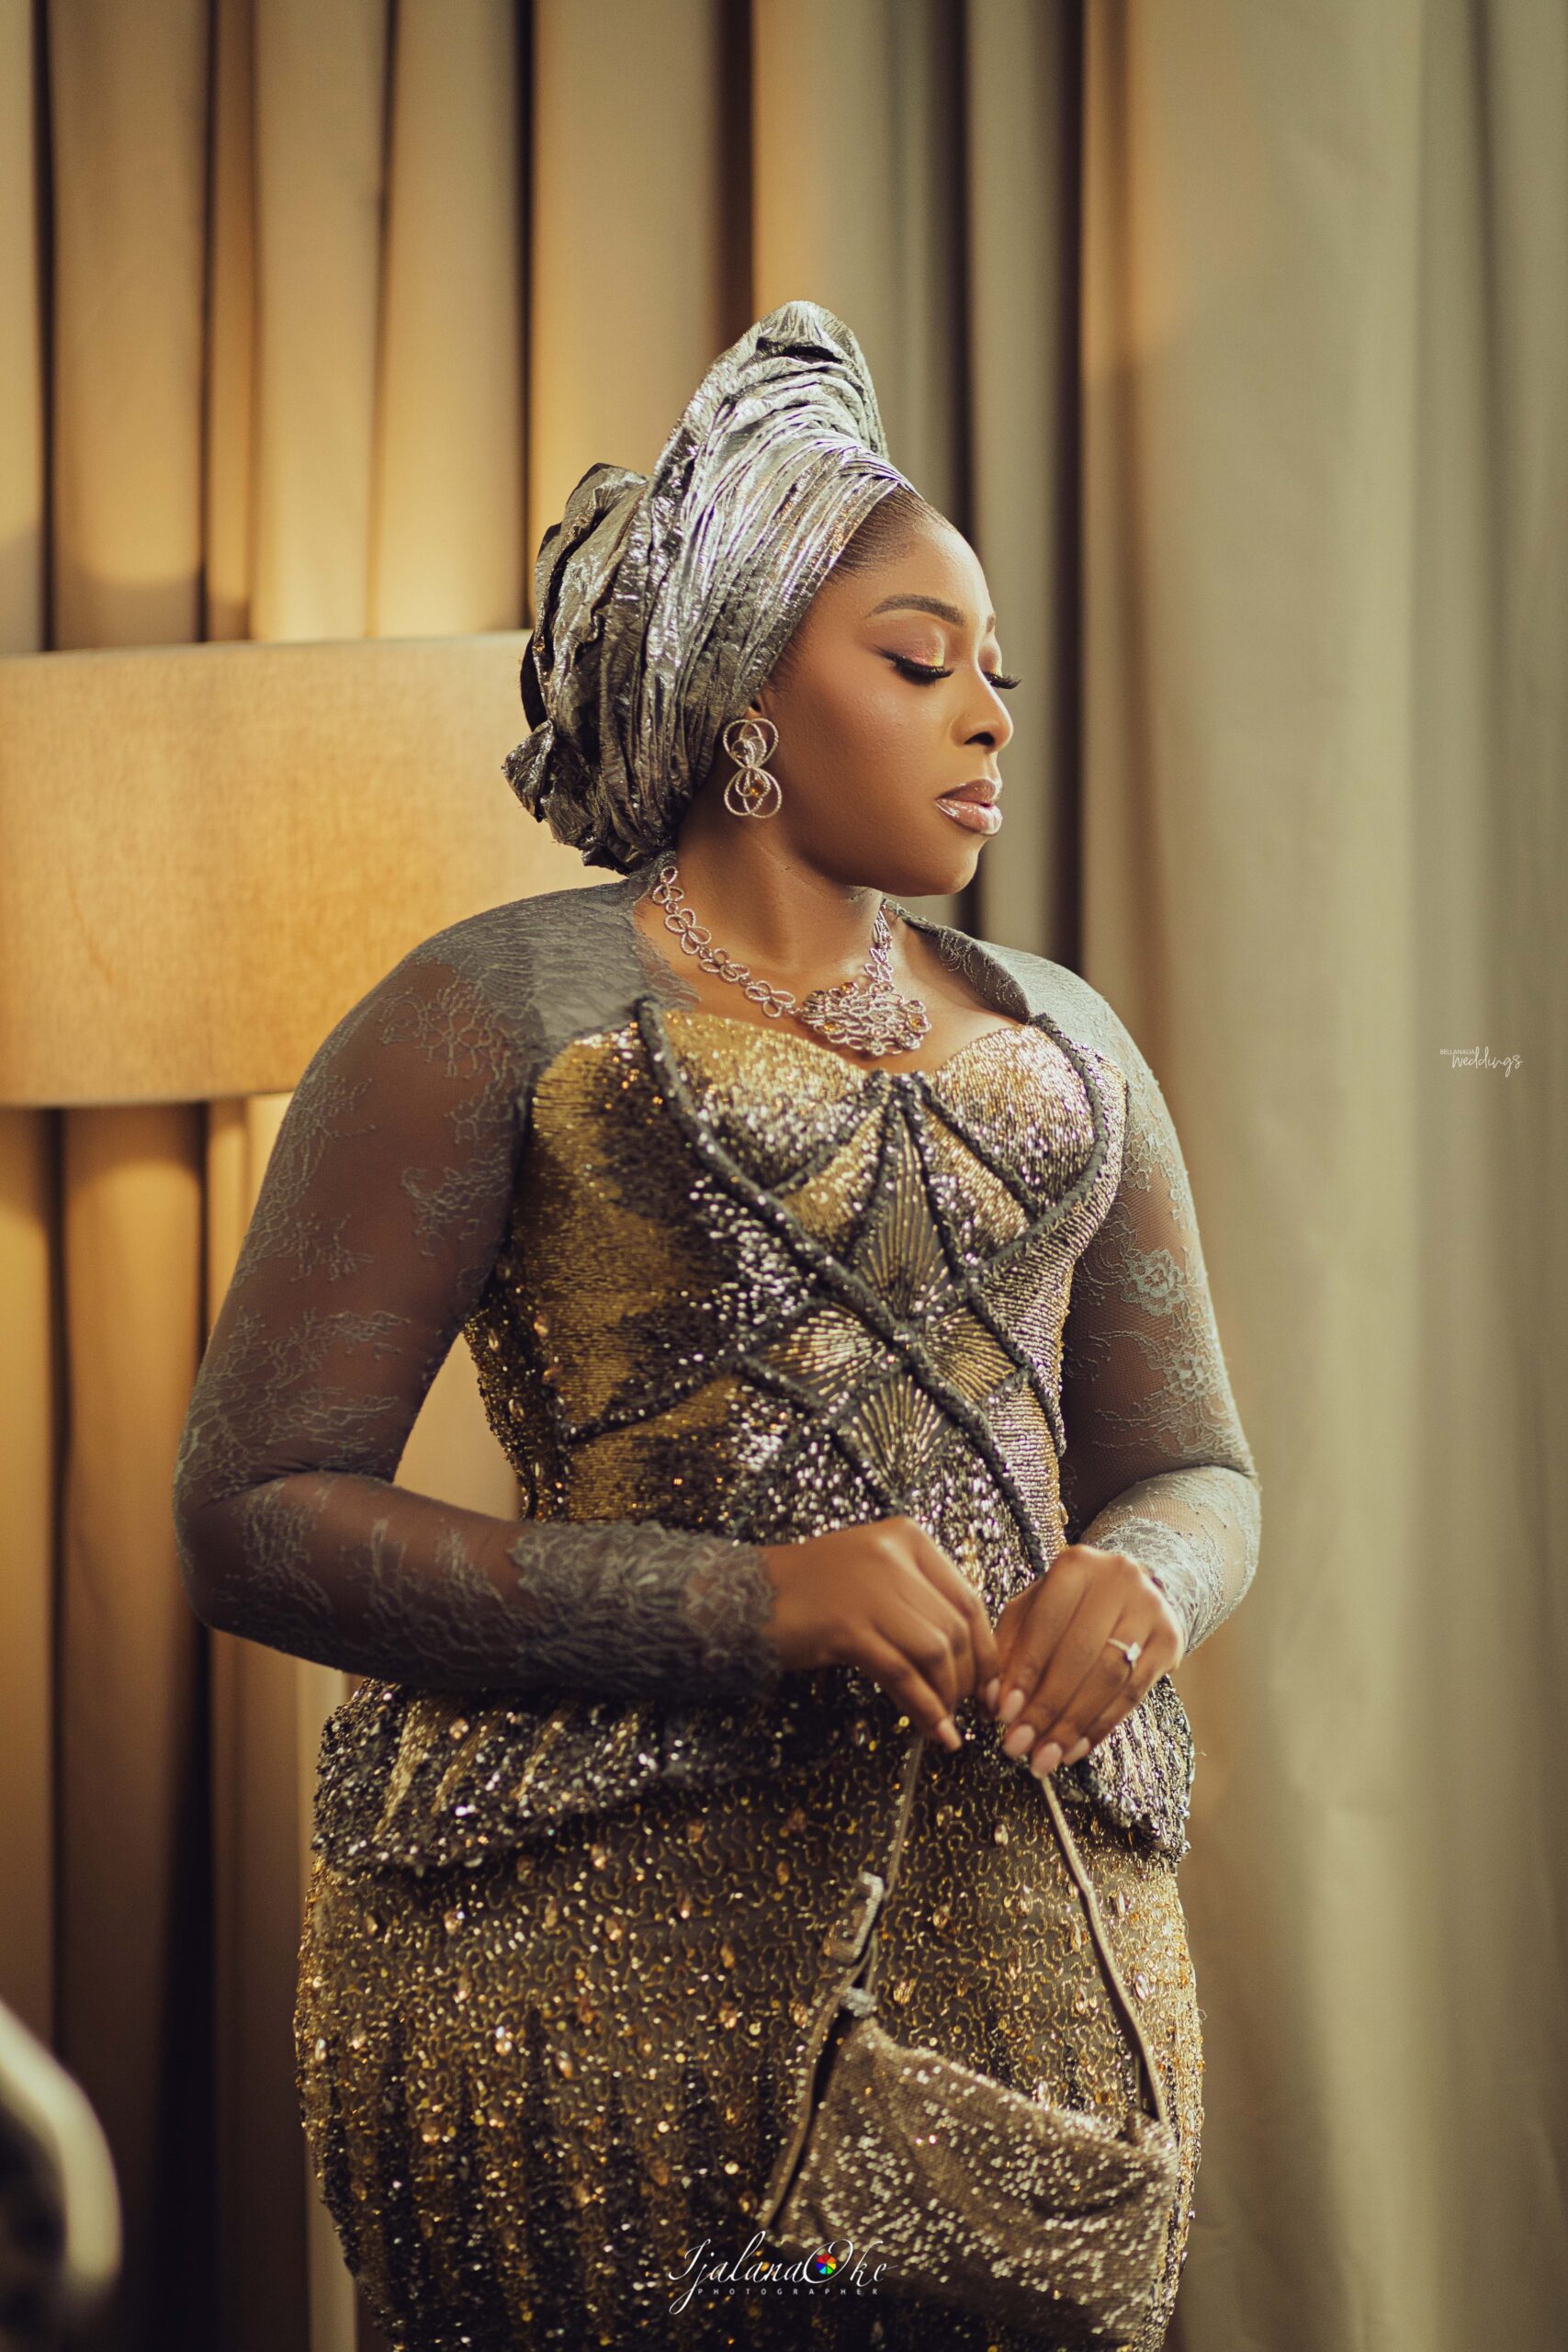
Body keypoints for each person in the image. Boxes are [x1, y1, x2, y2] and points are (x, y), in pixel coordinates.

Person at [173, 301, 1260, 2352]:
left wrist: (1150, 1578)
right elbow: (249, 1517)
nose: (988, 719)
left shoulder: (1068, 1037)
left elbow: (1196, 1462)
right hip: (586, 1960)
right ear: (746, 688)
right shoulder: (486, 1011)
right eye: (921, 663)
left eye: (997, 676)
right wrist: (739, 1602)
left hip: (1030, 1935)